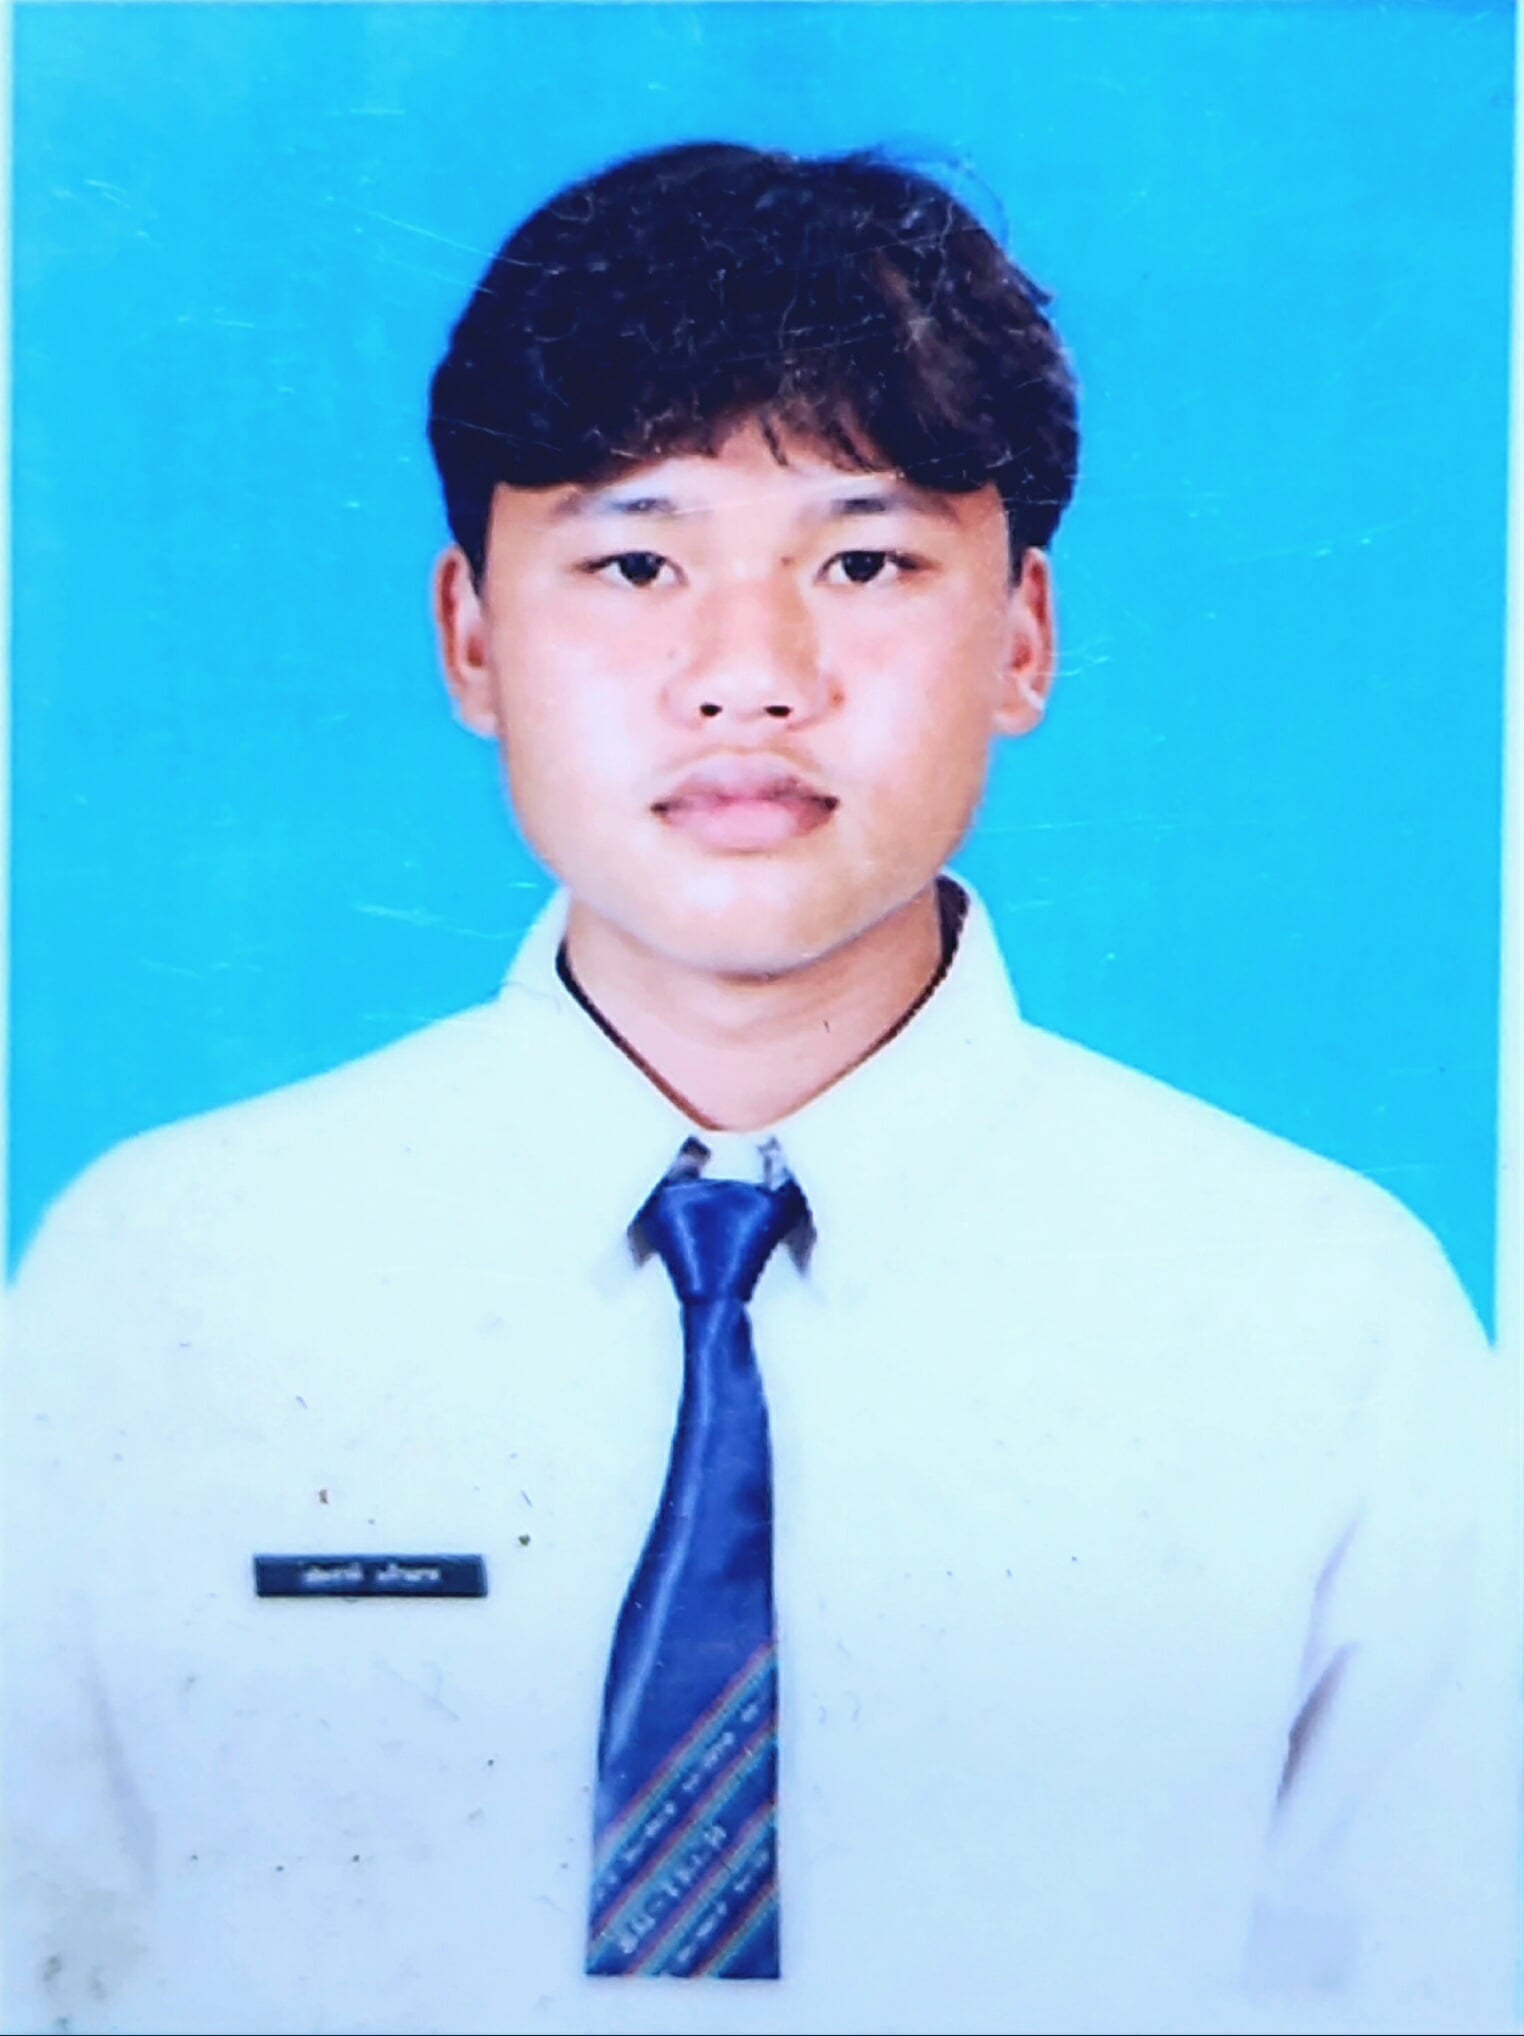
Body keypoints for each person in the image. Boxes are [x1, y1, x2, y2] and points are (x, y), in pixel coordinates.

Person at [2, 141, 1516, 2036]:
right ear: (471, 637)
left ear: (1024, 637)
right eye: (636, 562)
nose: (749, 677)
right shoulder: (167, 1279)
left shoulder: (1322, 1318)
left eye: (864, 561)